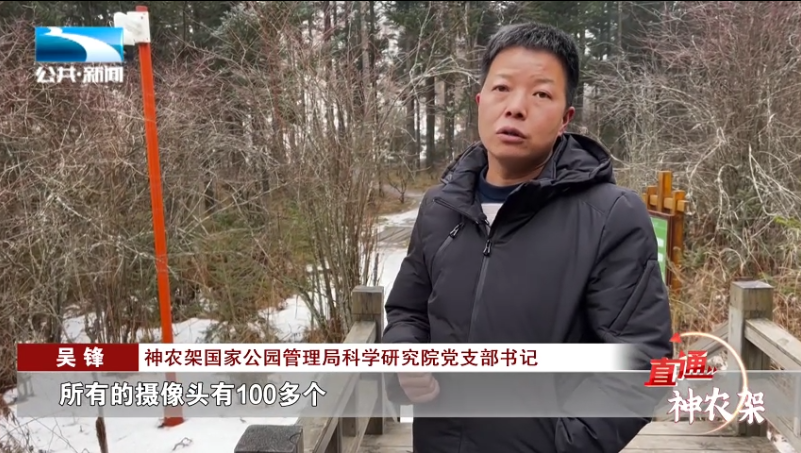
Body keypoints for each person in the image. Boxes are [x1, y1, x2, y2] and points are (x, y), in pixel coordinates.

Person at [381, 22, 673, 453]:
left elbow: (641, 361)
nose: (516, 107)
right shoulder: (440, 208)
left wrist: (566, 444)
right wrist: (404, 358)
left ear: (565, 118)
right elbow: (408, 312)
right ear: (480, 101)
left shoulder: (610, 217)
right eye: (501, 88)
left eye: (540, 94)